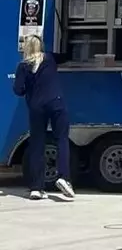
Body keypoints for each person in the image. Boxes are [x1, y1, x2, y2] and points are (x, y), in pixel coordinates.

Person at [11, 34, 76, 200]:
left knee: (37, 145)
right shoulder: (50, 59)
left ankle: (36, 188)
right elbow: (68, 55)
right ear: (40, 46)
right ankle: (63, 178)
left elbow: (18, 90)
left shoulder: (23, 66)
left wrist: (28, 91)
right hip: (56, 103)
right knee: (61, 139)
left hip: (36, 107)